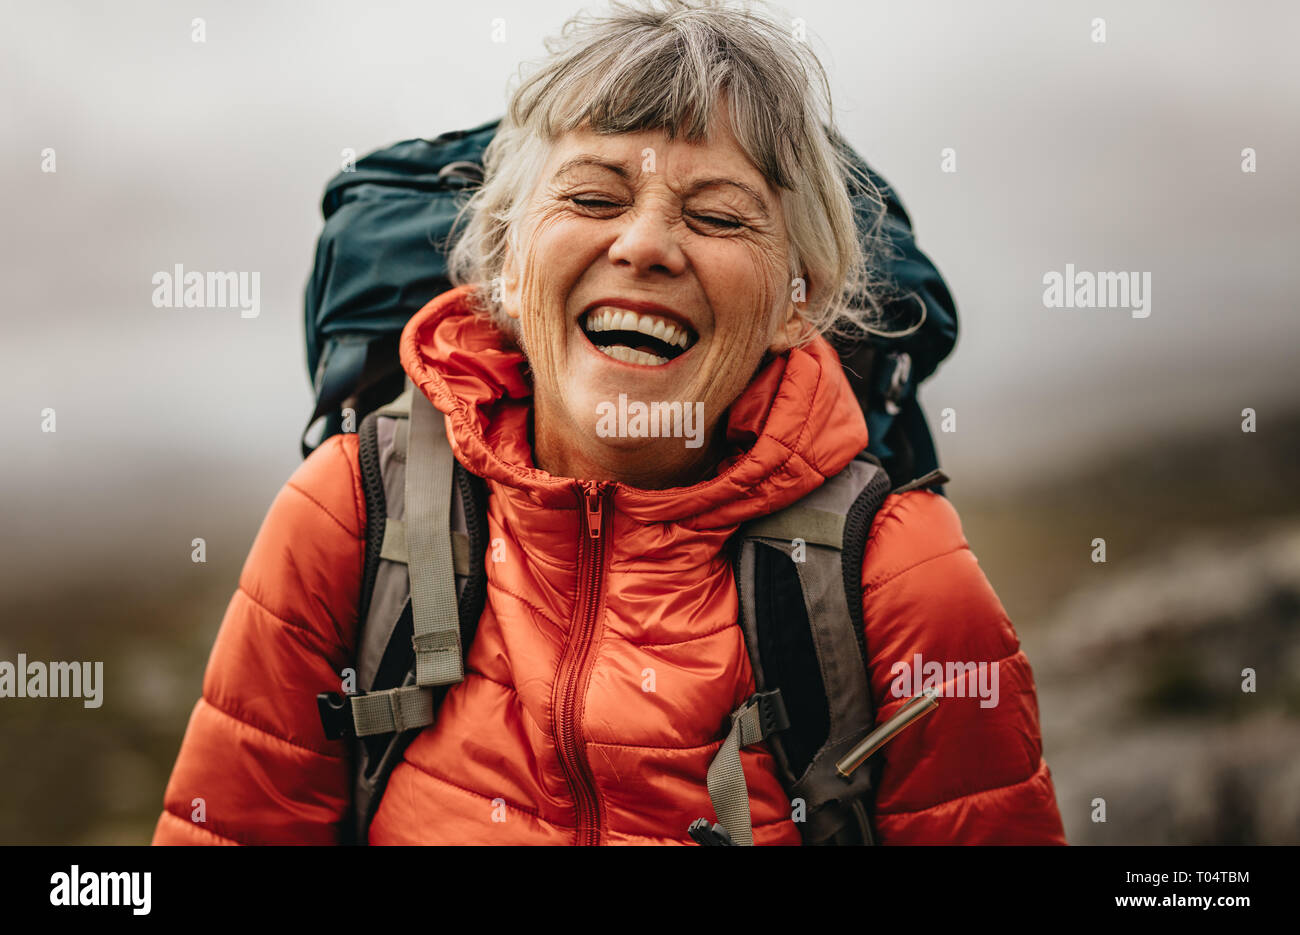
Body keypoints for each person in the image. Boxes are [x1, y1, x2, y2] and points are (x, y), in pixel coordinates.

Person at [153, 0, 1067, 845]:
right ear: (507, 262)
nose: (644, 245)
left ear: (801, 303)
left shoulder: (903, 582)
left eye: (715, 215)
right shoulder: (350, 514)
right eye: (592, 199)